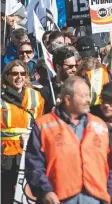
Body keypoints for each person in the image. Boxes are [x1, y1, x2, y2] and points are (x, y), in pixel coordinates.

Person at [25, 76, 110, 204]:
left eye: (89, 95)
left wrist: (109, 196)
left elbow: (109, 165)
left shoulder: (100, 125)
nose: (88, 100)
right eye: (83, 96)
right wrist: (45, 191)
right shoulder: (43, 125)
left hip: (95, 197)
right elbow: (34, 164)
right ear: (68, 99)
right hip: (59, 198)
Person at [1, 60, 45, 204]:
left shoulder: (36, 96)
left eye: (22, 73)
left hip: (28, 153)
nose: (19, 77)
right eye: (14, 73)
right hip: (5, 156)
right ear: (6, 76)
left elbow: (41, 124)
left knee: (27, 196)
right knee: (6, 195)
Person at [40, 47, 79, 113]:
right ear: (58, 67)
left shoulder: (79, 87)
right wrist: (52, 114)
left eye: (75, 66)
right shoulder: (46, 91)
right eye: (70, 66)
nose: (74, 69)